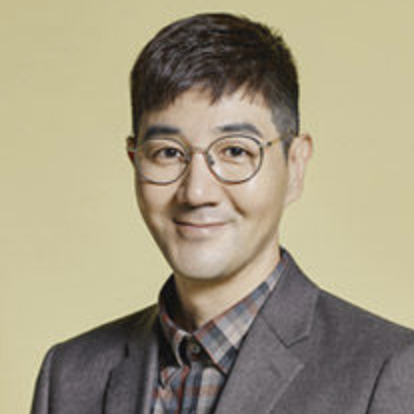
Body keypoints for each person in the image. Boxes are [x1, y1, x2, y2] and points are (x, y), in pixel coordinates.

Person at [30, 13, 414, 414]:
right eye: (167, 153)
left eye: (235, 151)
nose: (196, 192)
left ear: (295, 165)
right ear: (135, 161)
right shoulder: (70, 375)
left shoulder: (390, 370)